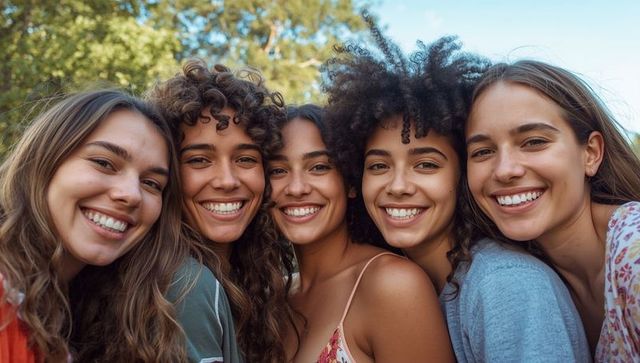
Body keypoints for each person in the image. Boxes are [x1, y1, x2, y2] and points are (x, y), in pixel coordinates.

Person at [323, 20, 591, 362]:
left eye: (426, 165)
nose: (398, 186)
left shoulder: (504, 284)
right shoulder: (418, 280)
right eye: (378, 166)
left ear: (460, 175)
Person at [465, 59, 640, 361]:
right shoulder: (514, 273)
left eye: (533, 142)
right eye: (483, 151)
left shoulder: (634, 251)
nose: (505, 170)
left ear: (591, 153)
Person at [0, 90, 188, 362]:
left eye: (151, 183)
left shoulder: (86, 313)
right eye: (104, 163)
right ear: (45, 161)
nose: (131, 194)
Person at [268, 104, 454, 362]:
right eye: (278, 170)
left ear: (351, 183)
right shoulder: (272, 298)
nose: (296, 188)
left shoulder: (392, 284)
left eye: (319, 167)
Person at [148, 60, 294, 363]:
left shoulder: (249, 280)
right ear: (167, 172)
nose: (227, 181)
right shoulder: (187, 285)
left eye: (246, 159)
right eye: (200, 160)